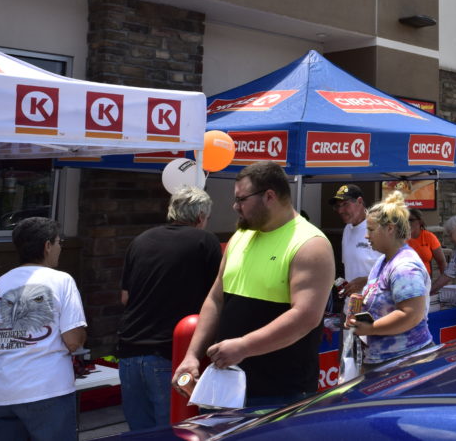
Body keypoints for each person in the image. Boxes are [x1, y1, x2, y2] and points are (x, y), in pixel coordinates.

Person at [173, 161, 335, 408]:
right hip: (227, 386)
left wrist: (244, 346)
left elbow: (306, 317)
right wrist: (192, 356)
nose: (235, 206)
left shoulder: (310, 244)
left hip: (280, 392)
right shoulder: (241, 235)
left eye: (241, 199)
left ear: (269, 196)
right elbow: (216, 299)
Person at [0, 217, 87, 441]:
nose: (60, 247)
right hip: (46, 391)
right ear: (47, 245)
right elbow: (73, 340)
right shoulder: (62, 280)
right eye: (59, 242)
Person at [118, 186, 221, 431]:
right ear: (200, 217)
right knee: (177, 433)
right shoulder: (205, 241)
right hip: (170, 354)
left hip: (129, 353)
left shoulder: (140, 240)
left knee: (140, 434)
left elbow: (125, 298)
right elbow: (217, 298)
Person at [346, 191, 432, 370]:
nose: (366, 236)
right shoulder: (383, 261)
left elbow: (411, 315)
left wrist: (371, 328)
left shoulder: (405, 266)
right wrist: (359, 309)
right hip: (387, 361)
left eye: (370, 230)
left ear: (390, 229)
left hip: (406, 363)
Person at [331, 184, 383, 297]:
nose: (340, 210)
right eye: (338, 206)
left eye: (345, 204)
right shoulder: (347, 229)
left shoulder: (378, 228)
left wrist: (365, 280)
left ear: (359, 201)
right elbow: (350, 268)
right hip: (352, 306)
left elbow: (397, 270)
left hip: (375, 308)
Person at [407, 211, 447, 278]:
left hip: (424, 280)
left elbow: (441, 261)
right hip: (403, 280)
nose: (407, 223)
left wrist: (443, 282)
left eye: (411, 220)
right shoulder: (399, 238)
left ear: (420, 221)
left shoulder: (429, 237)